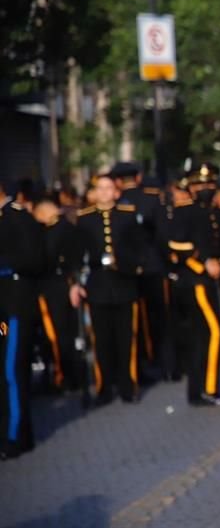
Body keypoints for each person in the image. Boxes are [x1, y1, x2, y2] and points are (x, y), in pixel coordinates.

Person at [70, 175, 144, 405]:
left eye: (108, 188)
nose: (103, 193)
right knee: (101, 340)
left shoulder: (128, 216)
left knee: (126, 339)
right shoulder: (85, 219)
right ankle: (104, 386)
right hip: (98, 286)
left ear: (116, 191)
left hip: (124, 284)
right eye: (99, 188)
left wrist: (124, 263)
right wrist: (75, 282)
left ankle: (128, 385)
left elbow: (138, 249)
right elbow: (76, 254)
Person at [168, 163, 220, 406]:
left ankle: (207, 386)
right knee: (213, 330)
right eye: (200, 185)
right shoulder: (185, 212)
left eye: (209, 184)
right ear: (191, 187)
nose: (206, 189)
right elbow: (176, 244)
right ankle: (207, 388)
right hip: (196, 281)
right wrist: (203, 262)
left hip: (217, 281)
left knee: (208, 334)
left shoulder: (217, 213)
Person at [112, 162, 171, 382]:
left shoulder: (117, 203)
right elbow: (163, 234)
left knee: (135, 320)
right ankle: (167, 365)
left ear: (117, 181)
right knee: (160, 318)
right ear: (138, 177)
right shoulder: (153, 198)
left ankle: (142, 366)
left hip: (128, 269)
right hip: (154, 265)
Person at [0, 181, 45, 459]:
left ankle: (16, 435)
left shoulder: (18, 216)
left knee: (11, 371)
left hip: (15, 305)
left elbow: (35, 260)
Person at [34, 195, 82, 391]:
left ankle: (64, 375)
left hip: (56, 287)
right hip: (61, 285)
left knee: (59, 334)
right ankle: (68, 374)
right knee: (66, 334)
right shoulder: (65, 227)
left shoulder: (57, 230)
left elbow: (52, 257)